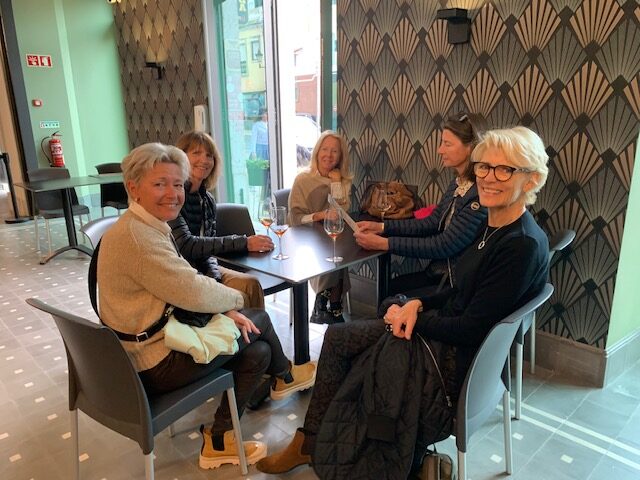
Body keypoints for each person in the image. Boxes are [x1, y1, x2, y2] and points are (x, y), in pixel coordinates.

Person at [256, 126, 550, 476]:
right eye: (484, 166)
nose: (487, 177)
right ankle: (317, 439)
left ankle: (331, 443)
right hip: (445, 340)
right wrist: (417, 305)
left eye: (504, 170)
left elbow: (471, 328)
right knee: (354, 329)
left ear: (531, 180)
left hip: (451, 366)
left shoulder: (520, 245)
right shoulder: (496, 225)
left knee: (349, 344)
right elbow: (461, 288)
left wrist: (414, 317)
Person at [97, 143, 316, 470]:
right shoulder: (140, 238)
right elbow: (192, 288)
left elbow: (182, 283)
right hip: (153, 362)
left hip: (146, 344)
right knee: (257, 319)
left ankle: (220, 438)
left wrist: (222, 308)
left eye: (177, 184)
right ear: (134, 187)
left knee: (257, 350)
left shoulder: (142, 225)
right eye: (159, 184)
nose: (173, 193)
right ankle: (284, 375)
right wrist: (235, 301)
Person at [355, 112, 488, 297]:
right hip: (441, 271)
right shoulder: (459, 183)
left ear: (471, 148)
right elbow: (432, 221)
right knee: (390, 287)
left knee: (392, 292)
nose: (440, 150)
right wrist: (382, 227)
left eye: (447, 144)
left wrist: (385, 243)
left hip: (456, 283)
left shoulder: (480, 194)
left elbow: (444, 245)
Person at [169, 130, 273, 309]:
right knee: (239, 296)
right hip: (181, 274)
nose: (204, 160)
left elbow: (207, 251)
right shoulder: (173, 198)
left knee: (251, 285)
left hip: (204, 269)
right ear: (180, 157)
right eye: (196, 153)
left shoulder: (207, 200)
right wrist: (244, 242)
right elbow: (187, 245)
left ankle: (254, 328)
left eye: (209, 155)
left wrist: (214, 277)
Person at [288, 130, 353, 324]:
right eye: (325, 149)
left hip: (328, 235)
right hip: (303, 238)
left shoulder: (341, 180)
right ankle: (331, 308)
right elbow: (294, 218)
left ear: (340, 156)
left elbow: (341, 212)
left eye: (334, 151)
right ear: (317, 152)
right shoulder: (303, 179)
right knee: (334, 254)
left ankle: (325, 306)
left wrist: (335, 183)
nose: (329, 155)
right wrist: (319, 216)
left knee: (337, 251)